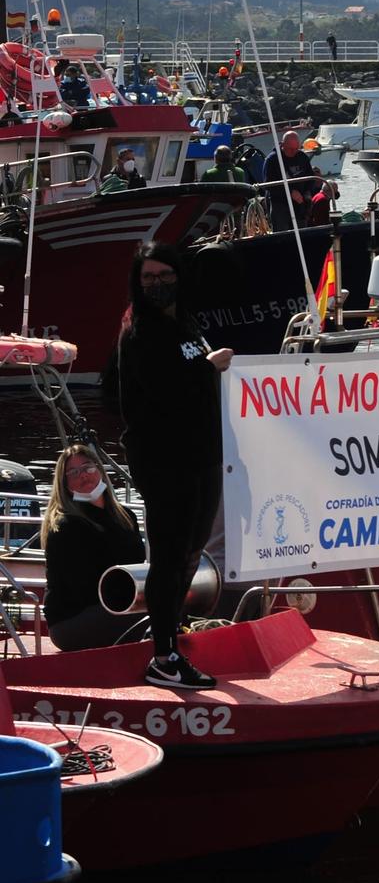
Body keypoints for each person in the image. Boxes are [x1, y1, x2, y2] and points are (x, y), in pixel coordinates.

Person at [102, 242, 231, 688]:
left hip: (202, 453)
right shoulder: (140, 331)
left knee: (194, 550)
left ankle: (174, 630)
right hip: (163, 459)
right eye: (148, 278)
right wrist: (209, 369)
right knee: (170, 554)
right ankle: (163, 657)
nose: (158, 284)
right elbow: (161, 392)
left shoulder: (187, 322)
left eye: (165, 275)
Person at [40, 443, 147, 652]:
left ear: (99, 469)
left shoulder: (125, 517)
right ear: (65, 484)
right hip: (72, 620)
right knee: (159, 615)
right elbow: (83, 588)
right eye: (73, 472)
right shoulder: (66, 525)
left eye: (88, 467)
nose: (83, 476)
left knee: (172, 606)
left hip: (117, 606)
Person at [262, 130, 324, 229]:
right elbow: (268, 185)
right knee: (282, 233)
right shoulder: (272, 160)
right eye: (290, 149)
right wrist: (290, 192)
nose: (294, 152)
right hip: (280, 203)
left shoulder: (302, 157)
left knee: (301, 231)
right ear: (283, 145)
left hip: (299, 204)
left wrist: (307, 192)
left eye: (296, 148)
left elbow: (310, 178)